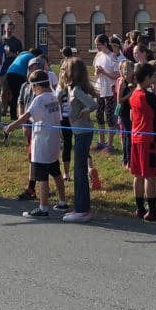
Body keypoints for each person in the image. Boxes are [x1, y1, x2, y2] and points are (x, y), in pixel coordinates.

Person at [4, 69, 67, 219]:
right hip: (53, 142)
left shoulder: (39, 99)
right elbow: (53, 118)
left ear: (37, 86)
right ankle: (62, 201)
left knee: (42, 176)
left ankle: (43, 208)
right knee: (56, 172)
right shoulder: (53, 97)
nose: (32, 90)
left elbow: (26, 115)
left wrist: (11, 126)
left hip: (42, 143)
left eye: (33, 87)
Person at [127, 61, 156, 221]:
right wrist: (155, 93)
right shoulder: (148, 95)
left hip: (135, 136)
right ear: (147, 78)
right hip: (149, 138)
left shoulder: (133, 94)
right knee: (150, 176)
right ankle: (153, 210)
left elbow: (131, 116)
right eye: (153, 77)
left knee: (137, 174)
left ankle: (140, 207)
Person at [63, 58, 98, 223]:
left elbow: (93, 104)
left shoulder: (76, 89)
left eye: (64, 70)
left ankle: (82, 209)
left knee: (79, 172)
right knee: (79, 171)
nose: (62, 73)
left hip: (83, 132)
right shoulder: (70, 89)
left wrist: (84, 111)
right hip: (79, 132)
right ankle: (80, 207)